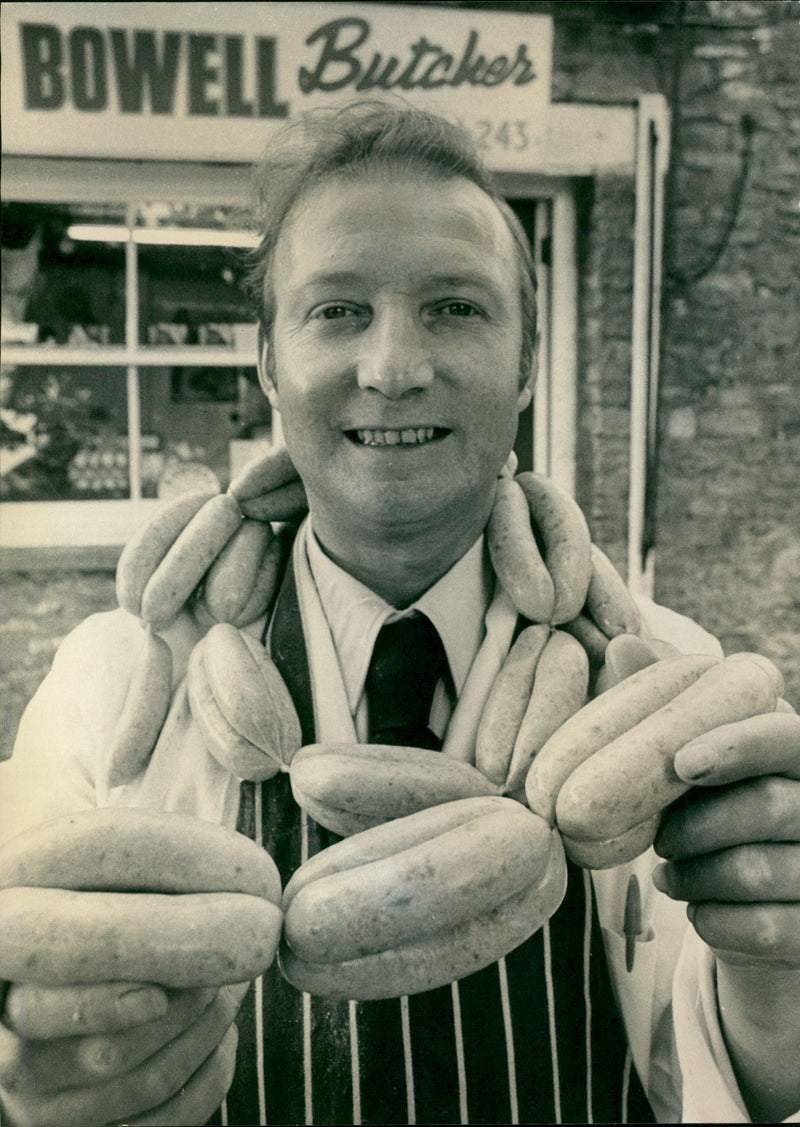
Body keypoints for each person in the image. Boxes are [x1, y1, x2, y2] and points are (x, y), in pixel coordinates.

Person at [1, 100, 798, 1127]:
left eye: (454, 307)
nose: (391, 367)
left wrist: (773, 976)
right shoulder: (112, 686)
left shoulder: (661, 687)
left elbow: (730, 1069)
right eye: (336, 310)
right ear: (267, 362)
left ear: (525, 363)